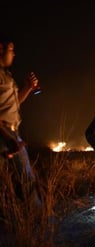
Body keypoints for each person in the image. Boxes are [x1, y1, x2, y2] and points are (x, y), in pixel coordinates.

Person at [0, 33, 40, 200]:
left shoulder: (6, 75)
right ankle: (38, 220)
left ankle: (28, 219)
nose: (14, 53)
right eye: (11, 49)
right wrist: (8, 138)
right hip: (4, 134)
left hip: (11, 134)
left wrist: (28, 88)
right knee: (26, 180)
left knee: (23, 180)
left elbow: (13, 103)